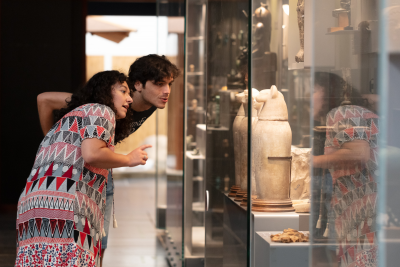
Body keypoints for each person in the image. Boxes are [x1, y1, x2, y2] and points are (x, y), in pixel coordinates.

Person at [36, 54, 180, 266]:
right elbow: (44, 99)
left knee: (98, 243)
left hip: (100, 172)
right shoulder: (102, 102)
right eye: (160, 84)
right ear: (138, 85)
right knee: (70, 243)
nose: (167, 91)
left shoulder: (151, 103)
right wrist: (53, 141)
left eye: (169, 84)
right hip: (71, 175)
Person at [15, 70, 154, 266]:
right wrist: (128, 159)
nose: (130, 99)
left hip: (33, 206)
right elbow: (93, 154)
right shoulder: (101, 110)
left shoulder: (73, 116)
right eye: (123, 91)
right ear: (105, 92)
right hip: (66, 206)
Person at [312, 72, 379, 267]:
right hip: (358, 210)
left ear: (327, 92)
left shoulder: (343, 113)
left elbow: (358, 153)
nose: (308, 96)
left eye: (314, 90)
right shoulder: (351, 112)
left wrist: (312, 161)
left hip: (362, 213)